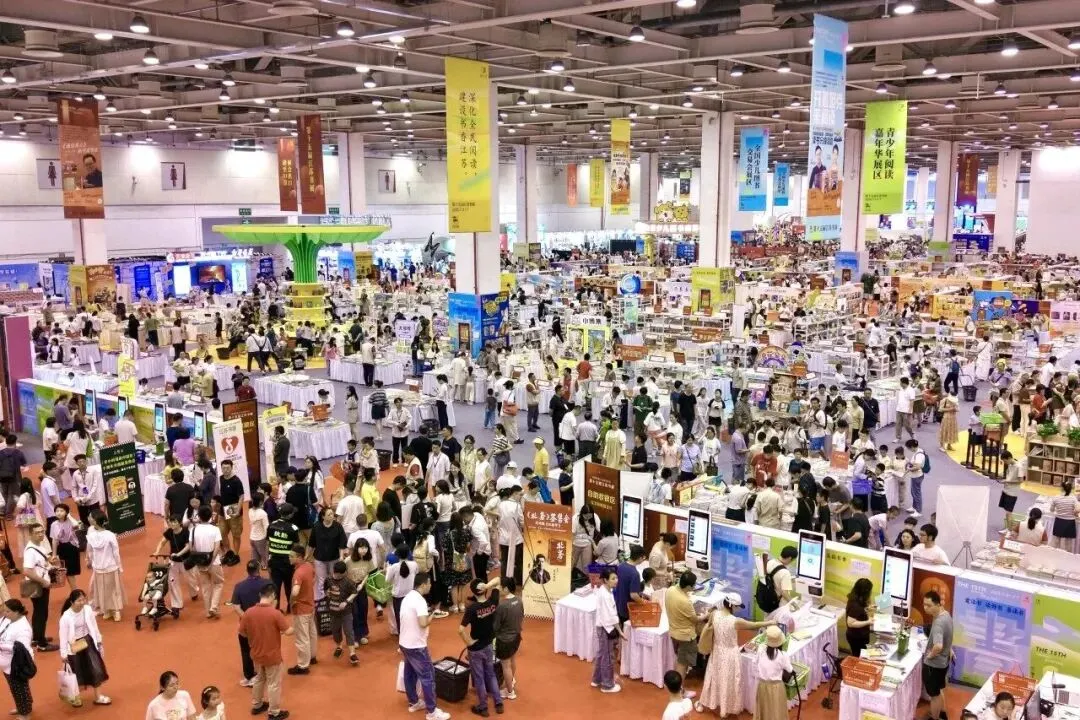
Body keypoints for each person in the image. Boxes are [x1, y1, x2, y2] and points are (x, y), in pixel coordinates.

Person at [697, 593, 775, 716]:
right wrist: (770, 622)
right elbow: (754, 625)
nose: (738, 609)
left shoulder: (715, 614)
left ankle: (707, 702)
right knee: (728, 681)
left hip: (716, 651)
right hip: (730, 655)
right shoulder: (735, 621)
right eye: (737, 606)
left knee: (713, 677)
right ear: (732, 606)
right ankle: (725, 709)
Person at [399, 571, 451, 720]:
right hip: (417, 646)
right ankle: (431, 712)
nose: (430, 586)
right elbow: (423, 623)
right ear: (423, 585)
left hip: (405, 643)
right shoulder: (420, 601)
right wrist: (433, 615)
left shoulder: (407, 597)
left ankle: (414, 702)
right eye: (429, 583)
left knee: (410, 674)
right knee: (428, 677)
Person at [238, 583, 293, 720]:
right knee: (274, 684)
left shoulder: (248, 613)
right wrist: (296, 627)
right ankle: (274, 712)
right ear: (273, 595)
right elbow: (288, 631)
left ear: (260, 595)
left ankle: (257, 705)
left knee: (259, 679)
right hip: (272, 656)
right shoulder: (275, 613)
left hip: (256, 654)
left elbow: (242, 633)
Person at [458, 577, 504, 717]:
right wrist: (487, 586)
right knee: (491, 674)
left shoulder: (472, 609)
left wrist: (469, 643)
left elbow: (460, 630)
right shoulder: (493, 601)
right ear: (484, 590)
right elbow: (498, 580)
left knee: (479, 677)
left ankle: (483, 707)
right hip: (489, 644)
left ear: (473, 592)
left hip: (476, 648)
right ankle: (498, 703)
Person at [58, 589, 110, 707]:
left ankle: (98, 697)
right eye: (79, 600)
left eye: (83, 599)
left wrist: (99, 640)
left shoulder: (87, 609)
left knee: (96, 668)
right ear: (71, 602)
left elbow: (94, 626)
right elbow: (63, 637)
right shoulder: (66, 617)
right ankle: (75, 697)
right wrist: (64, 654)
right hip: (74, 646)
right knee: (76, 672)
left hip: (88, 642)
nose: (82, 602)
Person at [229, 561, 270, 689]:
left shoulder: (239, 586)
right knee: (265, 647)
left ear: (247, 570)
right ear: (259, 569)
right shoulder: (267, 583)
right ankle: (265, 674)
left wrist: (247, 618)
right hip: (265, 623)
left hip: (246, 626)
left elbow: (236, 606)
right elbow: (273, 601)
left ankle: (250, 677)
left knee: (246, 650)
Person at [667, 570, 706, 688]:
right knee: (682, 664)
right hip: (686, 636)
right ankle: (679, 690)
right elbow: (695, 619)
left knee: (680, 659)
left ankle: (679, 688)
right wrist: (706, 615)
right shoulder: (685, 602)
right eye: (693, 585)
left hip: (674, 631)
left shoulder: (671, 590)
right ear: (689, 586)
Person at [921, 590, 954, 720]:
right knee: (939, 690)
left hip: (934, 665)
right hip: (943, 662)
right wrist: (949, 648)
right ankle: (942, 713)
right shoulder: (946, 614)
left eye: (929, 605)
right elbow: (947, 636)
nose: (925, 608)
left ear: (938, 604)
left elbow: (938, 646)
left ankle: (934, 717)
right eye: (924, 604)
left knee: (934, 695)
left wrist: (930, 656)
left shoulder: (939, 623)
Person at [0, 599, 34, 720]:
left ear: (17, 612)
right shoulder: (6, 619)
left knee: (20, 689)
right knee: (15, 688)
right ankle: (22, 707)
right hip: (6, 663)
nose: (4, 613)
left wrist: (1, 646)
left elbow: (20, 649)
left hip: (18, 664)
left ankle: (25, 714)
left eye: (7, 611)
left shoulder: (23, 628)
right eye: (4, 610)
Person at [188, 506, 224, 618]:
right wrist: (211, 561)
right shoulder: (215, 529)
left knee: (205, 587)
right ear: (210, 516)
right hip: (214, 562)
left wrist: (198, 560)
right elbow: (217, 547)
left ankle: (208, 612)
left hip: (200, 562)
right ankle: (214, 607)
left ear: (199, 516)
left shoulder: (193, 530)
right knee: (218, 583)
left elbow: (191, 548)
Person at [287, 544, 317, 675]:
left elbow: (295, 591)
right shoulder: (309, 566)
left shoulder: (298, 573)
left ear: (299, 557)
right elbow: (314, 578)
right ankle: (312, 656)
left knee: (302, 637)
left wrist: (292, 600)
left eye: (292, 556)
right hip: (310, 605)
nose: (289, 558)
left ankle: (303, 665)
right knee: (312, 633)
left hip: (301, 609)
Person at [592, 567, 623, 694]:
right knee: (608, 657)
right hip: (606, 628)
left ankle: (596, 679)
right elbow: (611, 616)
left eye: (616, 577)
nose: (616, 580)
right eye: (613, 578)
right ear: (605, 580)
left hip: (603, 627)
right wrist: (620, 631)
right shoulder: (605, 595)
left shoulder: (604, 590)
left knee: (601, 654)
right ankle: (607, 685)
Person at [323, 560, 360, 665]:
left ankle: (352, 653)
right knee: (336, 631)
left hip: (346, 612)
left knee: (349, 631)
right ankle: (339, 646)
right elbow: (325, 589)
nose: (337, 576)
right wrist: (327, 593)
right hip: (333, 611)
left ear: (344, 573)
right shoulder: (328, 579)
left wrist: (346, 601)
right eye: (335, 574)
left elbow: (354, 592)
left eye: (339, 575)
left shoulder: (348, 581)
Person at [493, 576, 524, 700]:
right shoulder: (519, 600)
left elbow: (495, 626)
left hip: (504, 640)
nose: (499, 589)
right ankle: (511, 680)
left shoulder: (502, 606)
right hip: (516, 637)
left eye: (500, 587)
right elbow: (522, 616)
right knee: (512, 660)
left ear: (506, 588)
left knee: (505, 666)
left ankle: (510, 692)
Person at [754, 625, 792, 720]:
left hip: (762, 686)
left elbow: (755, 663)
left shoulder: (760, 651)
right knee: (776, 711)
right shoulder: (783, 655)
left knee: (764, 709)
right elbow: (790, 670)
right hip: (777, 687)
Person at [845, 578, 875, 658]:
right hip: (856, 638)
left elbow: (859, 612)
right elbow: (851, 623)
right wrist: (868, 622)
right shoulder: (855, 605)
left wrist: (867, 608)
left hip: (859, 636)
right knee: (858, 658)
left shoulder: (857, 598)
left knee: (860, 656)